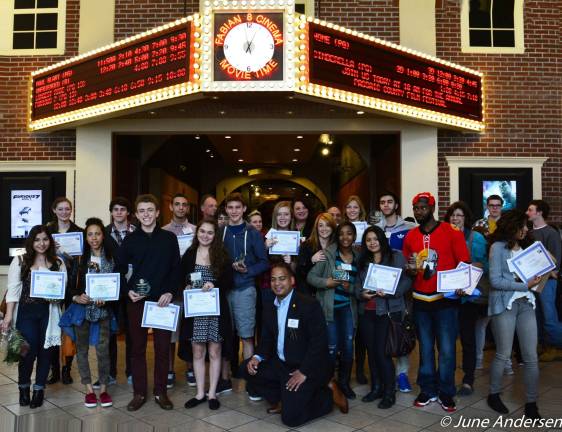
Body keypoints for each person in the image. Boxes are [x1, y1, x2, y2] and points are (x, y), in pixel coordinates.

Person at [242, 263, 347, 427]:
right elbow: (267, 339)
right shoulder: (270, 306)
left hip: (307, 366)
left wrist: (304, 371)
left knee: (291, 419)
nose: (277, 283)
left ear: (292, 281)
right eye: (273, 280)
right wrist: (257, 357)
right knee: (246, 368)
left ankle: (328, 394)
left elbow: (319, 343)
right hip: (283, 364)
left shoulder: (308, 305)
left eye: (282, 279)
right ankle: (282, 398)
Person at [403, 192, 469, 413]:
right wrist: (411, 270)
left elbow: (464, 263)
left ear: (431, 208)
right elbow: (408, 266)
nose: (418, 212)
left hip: (445, 300)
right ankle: (427, 389)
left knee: (448, 349)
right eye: (415, 208)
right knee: (426, 349)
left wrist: (463, 284)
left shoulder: (452, 232)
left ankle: (446, 392)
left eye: (422, 207)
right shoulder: (410, 236)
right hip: (421, 300)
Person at [118, 194, 181, 412]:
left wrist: (170, 292)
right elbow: (119, 270)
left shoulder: (169, 238)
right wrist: (128, 292)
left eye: (150, 210)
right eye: (142, 211)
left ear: (157, 213)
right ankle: (139, 392)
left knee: (163, 348)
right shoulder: (130, 240)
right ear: (136, 215)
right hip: (137, 301)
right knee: (137, 349)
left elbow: (177, 270)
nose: (146, 214)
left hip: (162, 302)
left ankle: (161, 392)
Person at [2, 225, 66, 408]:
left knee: (46, 353)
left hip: (49, 313)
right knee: (27, 352)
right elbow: (13, 292)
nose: (41, 243)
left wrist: (54, 293)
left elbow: (62, 292)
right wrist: (7, 317)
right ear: (32, 241)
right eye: (37, 239)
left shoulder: (58, 263)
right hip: (26, 313)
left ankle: (39, 390)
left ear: (50, 241)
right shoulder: (20, 260)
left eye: (45, 239)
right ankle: (23, 389)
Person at [486, 209, 542, 419]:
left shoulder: (528, 247)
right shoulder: (497, 248)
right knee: (503, 353)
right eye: (523, 226)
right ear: (512, 226)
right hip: (505, 305)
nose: (527, 229)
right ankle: (494, 394)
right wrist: (523, 285)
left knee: (531, 357)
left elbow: (542, 269)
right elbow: (495, 281)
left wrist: (544, 274)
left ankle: (531, 403)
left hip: (527, 304)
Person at [355, 226, 412, 408]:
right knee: (372, 353)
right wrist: (361, 294)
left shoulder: (396, 256)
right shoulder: (362, 260)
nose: (372, 242)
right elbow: (356, 286)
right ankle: (376, 388)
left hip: (387, 311)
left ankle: (389, 392)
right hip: (367, 311)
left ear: (382, 239)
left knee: (382, 353)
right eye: (368, 240)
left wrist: (392, 291)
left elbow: (407, 281)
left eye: (375, 239)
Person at [181, 219, 234, 411]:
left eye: (210, 232)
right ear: (197, 233)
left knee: (215, 351)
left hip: (215, 310)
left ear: (215, 236)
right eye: (201, 231)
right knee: (197, 351)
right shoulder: (189, 255)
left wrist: (215, 285)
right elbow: (181, 278)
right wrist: (185, 285)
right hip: (195, 311)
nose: (205, 235)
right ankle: (200, 393)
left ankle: (212, 393)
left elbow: (229, 281)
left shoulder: (222, 256)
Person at [221, 192, 269, 399]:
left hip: (245, 289)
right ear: (226, 210)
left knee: (247, 335)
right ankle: (224, 379)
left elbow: (264, 261)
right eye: (230, 208)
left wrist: (246, 271)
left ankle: (252, 382)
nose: (233, 211)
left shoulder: (253, 233)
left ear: (244, 210)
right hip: (223, 290)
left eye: (237, 208)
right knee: (222, 335)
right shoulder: (219, 231)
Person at [307, 221, 359, 399]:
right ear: (337, 236)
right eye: (342, 233)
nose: (345, 237)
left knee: (348, 347)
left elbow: (358, 288)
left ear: (354, 236)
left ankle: (343, 382)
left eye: (349, 233)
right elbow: (311, 277)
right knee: (331, 346)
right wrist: (327, 282)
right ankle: (328, 381)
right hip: (329, 309)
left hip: (347, 309)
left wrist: (349, 288)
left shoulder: (358, 257)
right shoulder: (329, 255)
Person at [70, 218, 116, 408]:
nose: (94, 238)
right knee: (81, 350)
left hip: (103, 311)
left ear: (103, 235)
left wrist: (108, 298)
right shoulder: (79, 259)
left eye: (97, 233)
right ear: (85, 237)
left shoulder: (111, 258)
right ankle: (89, 389)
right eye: (90, 234)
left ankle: (103, 389)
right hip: (82, 311)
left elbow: (116, 285)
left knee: (103, 351)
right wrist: (76, 298)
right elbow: (69, 286)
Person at [444, 201, 489, 396]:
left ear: (465, 218)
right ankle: (448, 378)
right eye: (453, 215)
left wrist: (468, 279)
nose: (455, 219)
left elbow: (482, 265)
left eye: (459, 215)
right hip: (447, 297)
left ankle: (468, 379)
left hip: (467, 298)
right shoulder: (443, 236)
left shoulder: (476, 238)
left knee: (468, 340)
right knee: (447, 342)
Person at [375, 191, 416, 393]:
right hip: (380, 289)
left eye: (390, 201)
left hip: (402, 288)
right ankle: (387, 374)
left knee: (400, 330)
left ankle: (402, 374)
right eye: (382, 202)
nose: (386, 205)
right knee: (383, 332)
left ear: (396, 205)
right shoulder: (375, 229)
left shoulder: (410, 228)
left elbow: (417, 254)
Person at [46, 197, 82, 386]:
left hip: (72, 287)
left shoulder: (79, 233)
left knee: (69, 330)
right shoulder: (47, 232)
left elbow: (83, 262)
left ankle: (67, 369)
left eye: (67, 209)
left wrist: (69, 258)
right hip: (52, 285)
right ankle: (54, 370)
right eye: (60, 209)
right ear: (54, 210)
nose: (64, 212)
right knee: (51, 328)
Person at [162, 193, 197, 389]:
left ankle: (191, 368)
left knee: (190, 332)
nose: (181, 208)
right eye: (177, 204)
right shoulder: (163, 231)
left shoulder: (196, 230)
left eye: (184, 205)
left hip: (192, 288)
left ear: (188, 208)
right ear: (171, 207)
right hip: (172, 290)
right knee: (171, 332)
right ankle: (169, 370)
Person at [104, 196, 135, 387]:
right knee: (110, 332)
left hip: (132, 289)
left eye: (123, 209)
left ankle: (131, 371)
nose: (119, 213)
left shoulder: (137, 232)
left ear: (128, 213)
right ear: (111, 212)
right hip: (110, 289)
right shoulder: (104, 233)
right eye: (115, 209)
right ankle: (110, 373)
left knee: (133, 332)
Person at [526, 199, 562, 361]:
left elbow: (556, 260)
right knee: (536, 314)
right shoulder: (528, 233)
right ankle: (542, 344)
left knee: (549, 314)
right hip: (533, 279)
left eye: (530, 210)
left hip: (547, 281)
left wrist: (551, 271)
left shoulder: (551, 233)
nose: (527, 213)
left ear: (539, 212)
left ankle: (556, 346)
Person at [342, 195, 368, 384]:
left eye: (355, 207)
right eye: (349, 207)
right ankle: (343, 373)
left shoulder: (367, 230)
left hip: (362, 282)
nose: (352, 210)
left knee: (360, 333)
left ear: (360, 210)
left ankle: (360, 370)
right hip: (344, 285)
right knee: (346, 332)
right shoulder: (341, 229)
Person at [296, 213, 337, 297]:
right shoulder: (306, 245)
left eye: (328, 225)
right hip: (310, 293)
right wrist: (311, 260)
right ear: (316, 228)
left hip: (331, 293)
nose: (324, 229)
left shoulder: (337, 246)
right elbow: (299, 272)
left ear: (332, 227)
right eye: (321, 225)